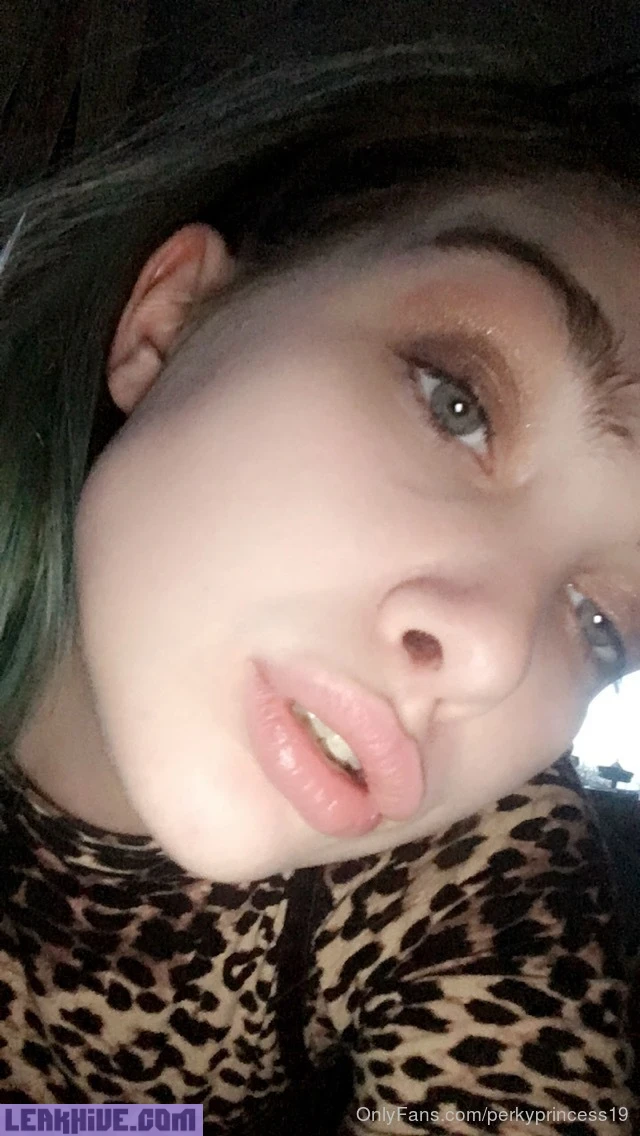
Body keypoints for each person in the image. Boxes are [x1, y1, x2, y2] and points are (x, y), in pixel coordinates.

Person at [0, 38, 638, 1133]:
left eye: (601, 624)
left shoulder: (485, 883)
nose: (493, 655)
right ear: (169, 322)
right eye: (455, 403)